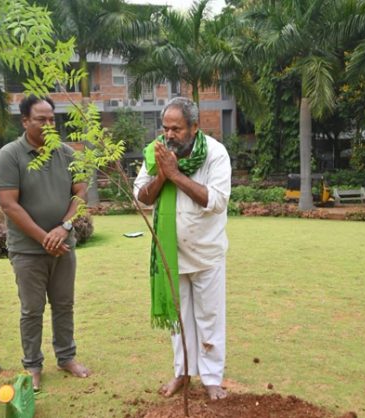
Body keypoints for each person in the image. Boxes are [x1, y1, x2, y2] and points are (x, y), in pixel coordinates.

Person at [133, 97, 231, 400]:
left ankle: (212, 379)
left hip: (206, 255)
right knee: (179, 320)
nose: (169, 135)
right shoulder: (156, 154)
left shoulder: (215, 154)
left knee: (209, 319)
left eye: (176, 128)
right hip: (170, 256)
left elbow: (216, 201)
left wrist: (176, 175)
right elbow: (140, 198)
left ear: (194, 127)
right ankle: (183, 373)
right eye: (165, 128)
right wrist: (163, 173)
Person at [0, 95, 90, 391]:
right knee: (32, 309)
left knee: (64, 304)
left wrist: (65, 227)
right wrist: (45, 238)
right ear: (25, 121)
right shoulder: (10, 155)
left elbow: (80, 193)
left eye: (52, 119)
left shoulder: (67, 153)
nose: (49, 125)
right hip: (27, 250)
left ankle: (66, 357)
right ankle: (33, 365)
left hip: (64, 245)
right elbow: (9, 205)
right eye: (41, 119)